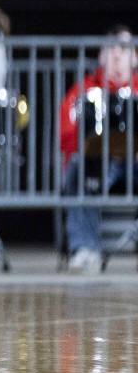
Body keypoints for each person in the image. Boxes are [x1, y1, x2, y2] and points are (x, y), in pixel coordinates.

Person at [60, 25, 138, 273]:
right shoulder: (83, 92)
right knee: (79, 170)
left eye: (124, 48)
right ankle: (85, 250)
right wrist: (89, 150)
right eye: (111, 48)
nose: (117, 55)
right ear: (101, 56)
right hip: (99, 163)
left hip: (135, 162)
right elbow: (66, 133)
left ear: (135, 57)